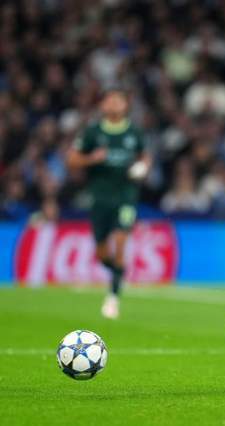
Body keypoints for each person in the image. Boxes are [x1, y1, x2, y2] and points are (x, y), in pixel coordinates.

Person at [67, 89, 151, 319]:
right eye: (110, 100)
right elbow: (71, 159)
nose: (114, 104)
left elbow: (145, 156)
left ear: (126, 105)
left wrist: (143, 167)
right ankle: (118, 273)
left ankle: (113, 298)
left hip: (126, 196)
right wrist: (91, 159)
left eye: (118, 100)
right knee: (102, 252)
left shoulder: (134, 132)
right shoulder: (93, 132)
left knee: (121, 242)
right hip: (100, 198)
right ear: (102, 105)